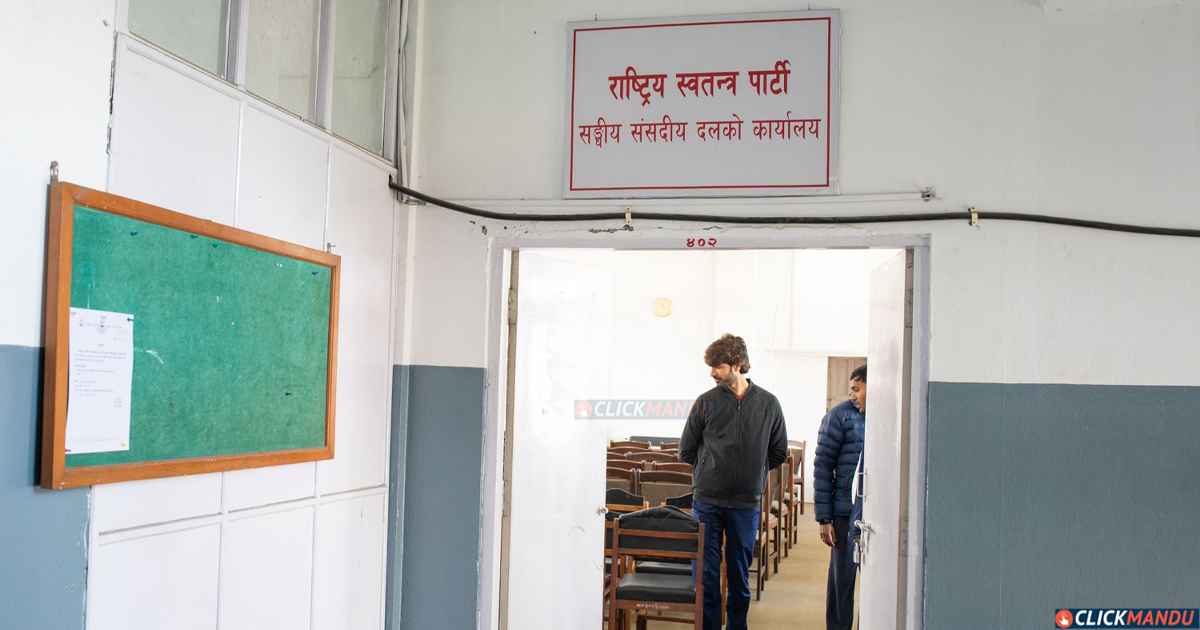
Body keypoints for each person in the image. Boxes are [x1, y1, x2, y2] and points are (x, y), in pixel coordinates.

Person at [679, 333, 788, 630]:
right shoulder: (705, 402)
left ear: (737, 365)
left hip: (745, 504)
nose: (712, 373)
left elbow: (778, 452)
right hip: (707, 502)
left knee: (739, 576)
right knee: (705, 574)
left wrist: (754, 471)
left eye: (718, 366)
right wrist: (710, 469)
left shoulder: (768, 404)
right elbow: (686, 449)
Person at [813, 364, 867, 630]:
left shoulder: (890, 414)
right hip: (845, 513)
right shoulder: (839, 416)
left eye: (857, 389)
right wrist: (824, 519)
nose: (852, 395)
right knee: (842, 582)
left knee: (876, 585)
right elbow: (823, 467)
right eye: (851, 390)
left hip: (876, 516)